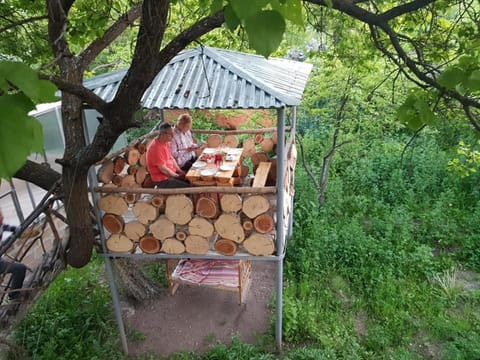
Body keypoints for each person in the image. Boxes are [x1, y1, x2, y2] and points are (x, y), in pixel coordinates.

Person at [146, 122, 191, 188]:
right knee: (188, 188)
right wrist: (177, 176)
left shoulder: (165, 143)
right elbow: (163, 169)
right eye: (171, 134)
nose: (173, 135)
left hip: (171, 174)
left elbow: (171, 158)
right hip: (162, 180)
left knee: (190, 180)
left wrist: (179, 171)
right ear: (163, 134)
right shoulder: (156, 148)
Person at [0, 209, 27, 302]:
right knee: (20, 268)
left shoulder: (1, 226)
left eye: (1, 215)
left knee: (19, 268)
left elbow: (15, 229)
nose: (2, 217)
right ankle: (13, 295)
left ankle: (13, 294)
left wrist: (18, 232)